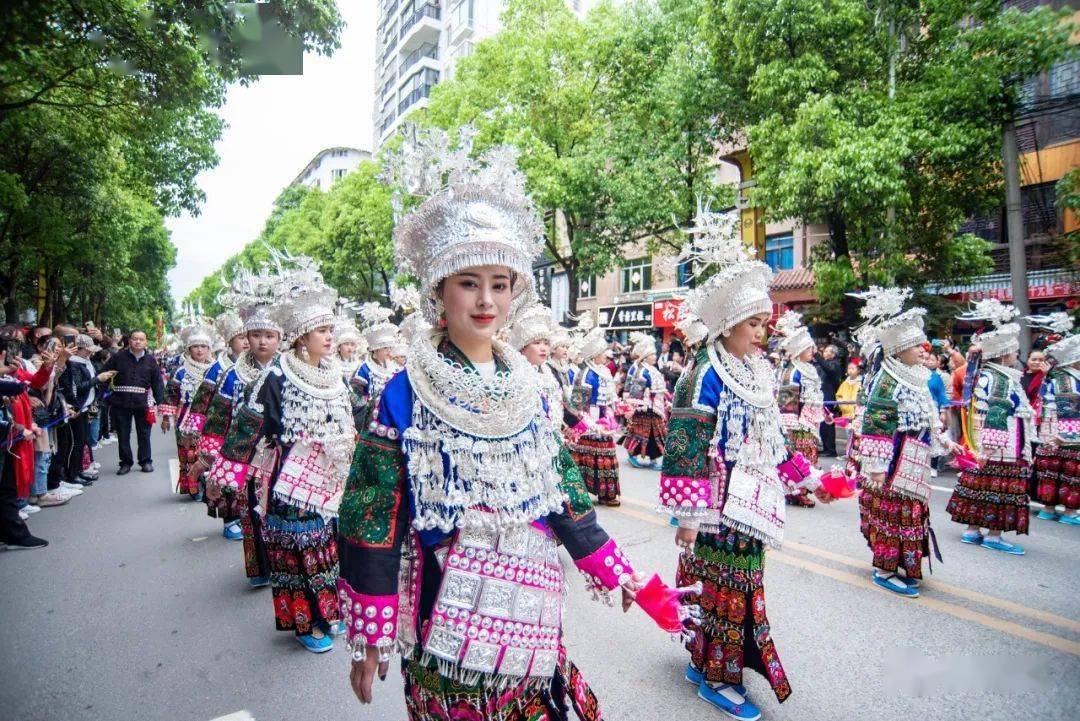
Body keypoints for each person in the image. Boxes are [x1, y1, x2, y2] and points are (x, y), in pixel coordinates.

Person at [338, 130, 672, 718]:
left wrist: (616, 570)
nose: (486, 300)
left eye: (500, 284)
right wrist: (371, 631)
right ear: (439, 291)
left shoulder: (530, 389)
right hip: (445, 609)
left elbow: (562, 492)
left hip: (531, 605)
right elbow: (373, 513)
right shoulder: (404, 392)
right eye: (469, 283)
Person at [660, 201, 830, 719]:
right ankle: (717, 675)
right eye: (753, 323)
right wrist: (689, 517)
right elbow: (686, 448)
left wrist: (807, 479)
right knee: (724, 588)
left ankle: (707, 662)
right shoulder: (703, 374)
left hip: (752, 503)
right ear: (728, 323)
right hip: (715, 508)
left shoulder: (756, 371)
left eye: (763, 324)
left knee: (735, 587)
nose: (761, 333)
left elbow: (771, 438)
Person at [216, 255, 351, 653]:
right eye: (322, 330)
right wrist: (224, 476)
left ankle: (329, 611)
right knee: (298, 549)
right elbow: (248, 424)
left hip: (329, 478)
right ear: (302, 336)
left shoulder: (334, 374)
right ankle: (307, 623)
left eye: (331, 330)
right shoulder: (276, 377)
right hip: (289, 482)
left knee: (326, 546)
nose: (329, 337)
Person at [848, 288, 962, 598]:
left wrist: (945, 441)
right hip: (892, 463)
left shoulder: (918, 377)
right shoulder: (886, 381)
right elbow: (876, 427)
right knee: (892, 513)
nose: (923, 350)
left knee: (909, 513)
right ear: (898, 349)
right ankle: (884, 569)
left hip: (915, 459)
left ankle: (901, 564)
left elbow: (928, 416)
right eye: (915, 345)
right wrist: (875, 466)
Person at [204, 266, 285, 584]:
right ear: (246, 337)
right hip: (246, 455)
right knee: (251, 511)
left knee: (281, 512)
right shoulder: (232, 374)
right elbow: (217, 416)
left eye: (269, 335)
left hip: (281, 455)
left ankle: (285, 568)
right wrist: (210, 459)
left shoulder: (290, 371)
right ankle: (260, 569)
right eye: (255, 335)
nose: (262, 342)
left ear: (280, 338)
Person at [946, 301, 1034, 553]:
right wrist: (990, 449)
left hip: (985, 446)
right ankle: (993, 536)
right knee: (999, 490)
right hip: (1001, 449)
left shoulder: (987, 375)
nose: (1016, 356)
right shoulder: (1000, 379)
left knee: (981, 486)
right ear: (1004, 354)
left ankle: (972, 530)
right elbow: (996, 415)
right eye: (1014, 352)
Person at [180, 310, 248, 535]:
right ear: (229, 341)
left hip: (251, 435)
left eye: (249, 337)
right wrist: (195, 432)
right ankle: (230, 521)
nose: (247, 342)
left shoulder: (262, 366)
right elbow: (201, 402)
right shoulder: (218, 369)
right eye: (241, 338)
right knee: (227, 476)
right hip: (223, 432)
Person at [1030, 313, 1080, 524]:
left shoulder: (1055, 376)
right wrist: (1067, 436)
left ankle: (1049, 509)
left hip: (1050, 433)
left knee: (1051, 472)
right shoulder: (1067, 378)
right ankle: (1068, 512)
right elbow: (1069, 409)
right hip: (1064, 435)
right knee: (1069, 474)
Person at [774, 311, 828, 506]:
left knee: (810, 455)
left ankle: (804, 489)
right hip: (797, 424)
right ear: (798, 351)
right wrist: (791, 426)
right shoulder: (792, 371)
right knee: (800, 456)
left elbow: (815, 396)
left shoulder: (809, 369)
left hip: (810, 421)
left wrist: (825, 413)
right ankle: (796, 491)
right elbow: (787, 401)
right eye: (808, 348)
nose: (812, 350)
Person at [159, 319, 217, 497]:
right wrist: (166, 417)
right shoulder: (181, 371)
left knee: (210, 453)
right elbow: (171, 394)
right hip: (186, 419)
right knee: (190, 454)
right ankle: (194, 488)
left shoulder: (217, 369)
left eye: (203, 346)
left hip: (212, 418)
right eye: (195, 346)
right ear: (189, 349)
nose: (199, 350)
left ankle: (211, 488)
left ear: (209, 349)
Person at [566, 320, 622, 506]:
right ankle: (581, 492)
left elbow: (611, 396)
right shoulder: (585, 374)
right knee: (587, 456)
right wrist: (590, 423)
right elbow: (578, 405)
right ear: (594, 354)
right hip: (590, 418)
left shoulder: (604, 371)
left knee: (607, 453)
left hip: (605, 417)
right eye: (602, 352)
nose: (605, 355)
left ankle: (607, 493)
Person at [102, 329, 165, 474]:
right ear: (129, 340)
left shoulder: (151, 361)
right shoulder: (118, 357)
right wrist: (105, 396)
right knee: (123, 434)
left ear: (146, 342)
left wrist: (161, 403)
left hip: (143, 403)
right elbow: (104, 375)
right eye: (135, 338)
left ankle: (145, 461)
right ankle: (125, 463)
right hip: (120, 402)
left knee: (144, 433)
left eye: (141, 339)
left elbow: (157, 383)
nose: (138, 342)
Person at [621, 331, 667, 469]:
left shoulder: (653, 369)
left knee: (654, 434)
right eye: (652, 354)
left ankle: (653, 459)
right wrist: (637, 408)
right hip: (645, 409)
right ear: (645, 357)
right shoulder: (642, 371)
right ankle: (634, 456)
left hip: (656, 407)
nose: (655, 356)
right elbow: (636, 393)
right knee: (643, 434)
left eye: (655, 354)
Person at [353, 303, 399, 408]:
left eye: (390, 348)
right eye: (385, 348)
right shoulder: (364, 370)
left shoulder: (395, 368)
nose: (389, 351)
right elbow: (357, 401)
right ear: (375, 350)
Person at [814, 344, 843, 456]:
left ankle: (831, 450)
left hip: (828, 397)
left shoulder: (834, 364)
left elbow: (828, 368)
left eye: (827, 351)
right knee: (823, 425)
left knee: (828, 424)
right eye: (824, 351)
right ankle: (826, 447)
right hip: (821, 397)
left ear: (833, 354)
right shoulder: (822, 364)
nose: (825, 353)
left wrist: (816, 354)